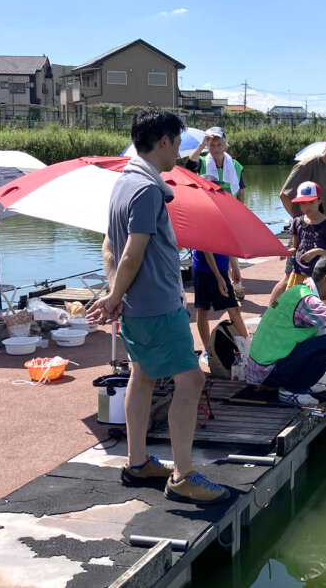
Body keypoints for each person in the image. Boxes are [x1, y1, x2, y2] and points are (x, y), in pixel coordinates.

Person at [88, 108, 228, 505]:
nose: (180, 151)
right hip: (155, 305)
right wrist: (115, 296)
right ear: (163, 141)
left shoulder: (125, 181)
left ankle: (137, 462)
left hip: (136, 304)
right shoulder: (148, 189)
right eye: (178, 142)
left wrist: (116, 294)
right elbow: (132, 252)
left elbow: (108, 246)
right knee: (192, 382)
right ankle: (183, 476)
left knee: (144, 375)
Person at [247, 255, 326, 406]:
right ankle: (293, 390)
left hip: (265, 367)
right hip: (269, 372)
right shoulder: (308, 300)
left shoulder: (299, 289)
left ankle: (302, 382)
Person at [269, 129, 326, 303]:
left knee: (321, 281)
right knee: (289, 278)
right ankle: (270, 315)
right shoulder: (308, 165)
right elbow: (285, 195)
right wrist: (301, 221)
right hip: (304, 232)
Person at [185, 126, 247, 297]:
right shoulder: (203, 162)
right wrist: (202, 145)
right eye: (213, 145)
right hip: (208, 212)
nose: (217, 149)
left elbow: (241, 189)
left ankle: (236, 282)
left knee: (231, 246)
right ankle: (226, 281)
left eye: (220, 144)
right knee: (214, 248)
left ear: (226, 145)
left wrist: (240, 211)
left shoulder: (235, 165)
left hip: (230, 212)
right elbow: (189, 165)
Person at [278, 181, 326, 295]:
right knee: (295, 305)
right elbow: (295, 248)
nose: (306, 206)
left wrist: (319, 252)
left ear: (319, 200)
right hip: (298, 272)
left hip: (320, 276)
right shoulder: (297, 221)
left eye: (311, 202)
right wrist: (287, 252)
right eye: (302, 203)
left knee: (318, 309)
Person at [192, 248, 248, 365]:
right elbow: (206, 249)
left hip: (222, 269)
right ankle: (209, 352)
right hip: (204, 271)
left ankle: (247, 349)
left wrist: (234, 266)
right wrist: (218, 277)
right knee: (203, 310)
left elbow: (227, 243)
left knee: (234, 308)